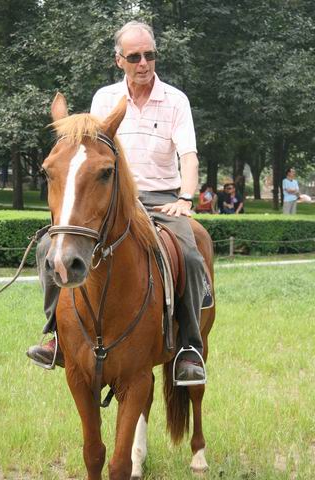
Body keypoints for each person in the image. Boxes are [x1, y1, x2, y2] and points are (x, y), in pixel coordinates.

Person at [27, 21, 208, 384]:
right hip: (113, 200)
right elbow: (91, 155)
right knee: (48, 245)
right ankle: (57, 337)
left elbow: (188, 155)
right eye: (135, 56)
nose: (144, 63)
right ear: (119, 60)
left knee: (189, 249)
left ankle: (189, 347)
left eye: (150, 55)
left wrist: (186, 198)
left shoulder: (176, 100)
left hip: (161, 200)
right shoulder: (104, 99)